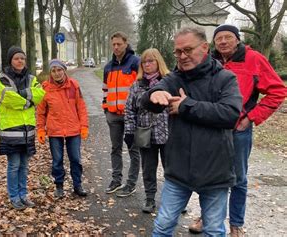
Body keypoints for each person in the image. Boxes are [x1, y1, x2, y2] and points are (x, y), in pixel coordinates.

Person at [141, 27, 243, 236]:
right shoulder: (175, 77)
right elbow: (150, 96)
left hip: (215, 169)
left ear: (204, 47)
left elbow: (231, 114)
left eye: (188, 50)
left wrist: (186, 106)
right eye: (178, 52)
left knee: (214, 230)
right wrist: (155, 93)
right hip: (179, 169)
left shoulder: (225, 78)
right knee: (162, 226)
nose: (182, 56)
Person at [188, 24, 287, 236]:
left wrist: (251, 117)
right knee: (210, 174)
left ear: (237, 39)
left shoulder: (254, 59)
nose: (223, 42)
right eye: (219, 38)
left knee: (238, 178)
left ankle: (236, 224)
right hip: (211, 128)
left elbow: (278, 91)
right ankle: (207, 217)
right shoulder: (209, 61)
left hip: (238, 130)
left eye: (228, 37)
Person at [0, 46, 45, 210]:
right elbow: (9, 98)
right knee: (14, 165)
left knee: (24, 166)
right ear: (11, 60)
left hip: (27, 130)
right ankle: (14, 197)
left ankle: (23, 195)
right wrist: (28, 100)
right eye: (16, 58)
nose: (20, 61)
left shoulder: (31, 78)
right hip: (11, 130)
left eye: (22, 58)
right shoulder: (3, 78)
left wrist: (21, 96)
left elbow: (40, 94)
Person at [123, 48, 170, 213]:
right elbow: (129, 110)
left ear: (158, 62)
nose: (147, 64)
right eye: (144, 62)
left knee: (171, 170)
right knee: (148, 169)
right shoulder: (137, 85)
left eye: (151, 61)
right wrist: (129, 132)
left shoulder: (169, 81)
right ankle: (150, 199)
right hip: (145, 135)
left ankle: (174, 202)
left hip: (168, 134)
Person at [37, 59, 89, 198]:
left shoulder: (74, 85)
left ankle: (77, 185)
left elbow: (81, 107)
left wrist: (84, 126)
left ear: (64, 70)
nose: (57, 73)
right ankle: (59, 186)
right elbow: (41, 112)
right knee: (57, 160)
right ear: (50, 73)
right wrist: (40, 129)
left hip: (73, 129)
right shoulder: (45, 88)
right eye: (53, 71)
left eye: (59, 70)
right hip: (55, 130)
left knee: (75, 159)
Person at [102, 31, 142, 197]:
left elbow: (141, 88)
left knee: (133, 150)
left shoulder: (135, 63)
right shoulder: (108, 66)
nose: (116, 47)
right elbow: (105, 89)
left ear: (126, 43)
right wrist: (105, 108)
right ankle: (116, 180)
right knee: (115, 148)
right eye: (114, 44)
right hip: (113, 115)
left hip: (131, 116)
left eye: (119, 44)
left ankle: (131, 184)